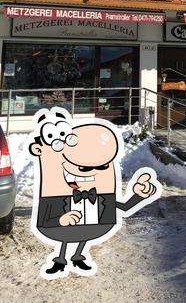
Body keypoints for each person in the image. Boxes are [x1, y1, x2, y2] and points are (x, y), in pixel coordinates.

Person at [28, 107, 161, 279]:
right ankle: (60, 260)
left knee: (85, 232)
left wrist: (139, 195)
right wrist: (61, 219)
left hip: (92, 227)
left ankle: (78, 256)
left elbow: (124, 207)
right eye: (83, 167)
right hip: (61, 229)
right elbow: (46, 221)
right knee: (67, 234)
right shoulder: (55, 194)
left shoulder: (102, 195)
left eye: (102, 166)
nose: (90, 172)